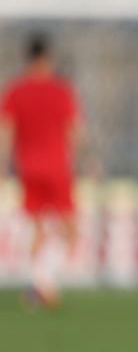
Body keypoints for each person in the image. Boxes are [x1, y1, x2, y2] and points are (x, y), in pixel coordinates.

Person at [0, 33, 85, 307]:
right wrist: (81, 162)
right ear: (47, 58)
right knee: (71, 229)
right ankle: (44, 279)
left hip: (28, 168)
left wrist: (3, 165)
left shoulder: (15, 91)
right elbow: (75, 132)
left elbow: (6, 131)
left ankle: (38, 282)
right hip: (57, 166)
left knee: (36, 227)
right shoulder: (61, 90)